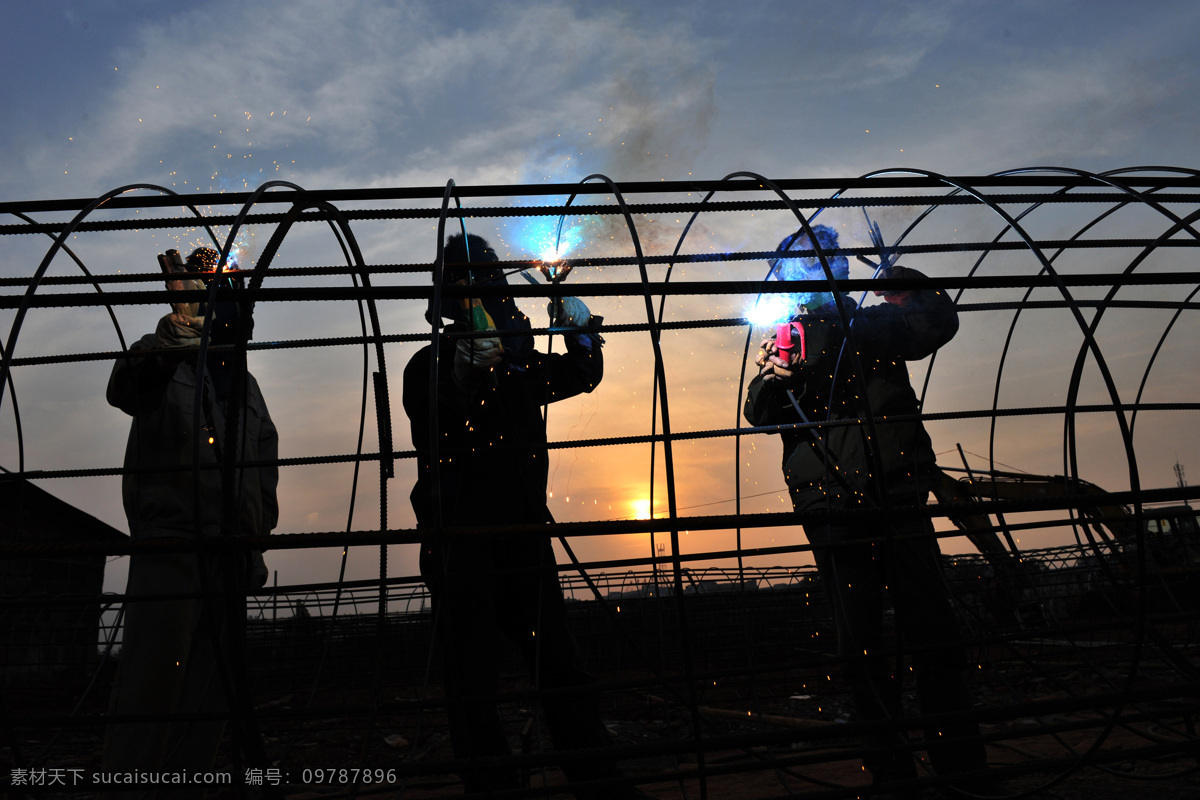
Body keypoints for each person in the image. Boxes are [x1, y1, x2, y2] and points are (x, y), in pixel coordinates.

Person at [743, 225, 990, 797]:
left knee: (934, 640)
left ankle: (963, 773)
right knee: (861, 652)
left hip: (896, 496)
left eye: (827, 257)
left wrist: (898, 281)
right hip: (831, 504)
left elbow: (937, 324)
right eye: (807, 260)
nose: (819, 267)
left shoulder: (873, 323)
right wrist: (776, 376)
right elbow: (759, 410)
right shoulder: (786, 333)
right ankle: (893, 776)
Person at [403, 233, 641, 798]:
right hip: (458, 535)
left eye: (490, 285)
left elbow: (577, 377)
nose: (486, 298)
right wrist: (460, 376)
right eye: (472, 286)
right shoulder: (427, 366)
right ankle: (493, 789)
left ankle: (599, 782)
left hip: (523, 530)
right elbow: (433, 415)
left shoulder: (518, 366)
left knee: (560, 667)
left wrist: (583, 338)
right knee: (472, 679)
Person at [103, 247, 277, 796]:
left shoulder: (245, 388)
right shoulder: (160, 357)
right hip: (171, 550)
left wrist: (255, 545)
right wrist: (174, 338)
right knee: (151, 689)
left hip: (228, 553)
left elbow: (262, 472)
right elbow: (124, 387)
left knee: (211, 695)